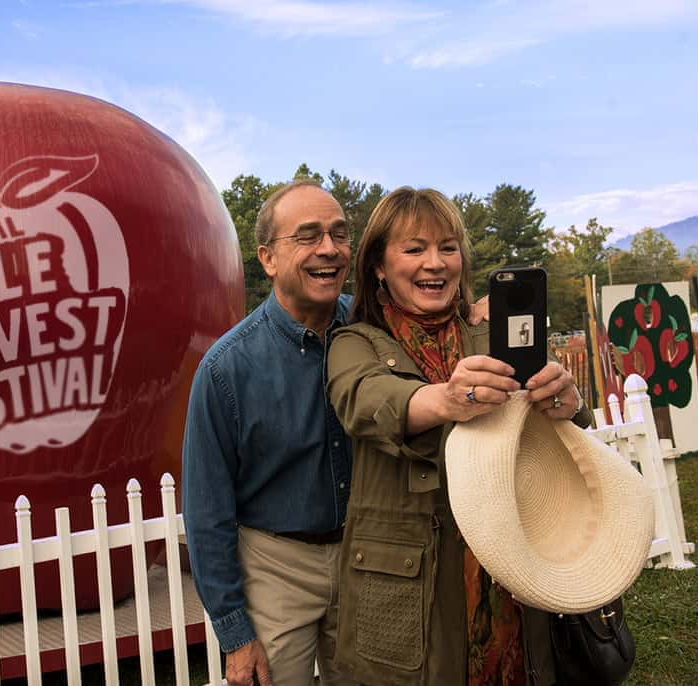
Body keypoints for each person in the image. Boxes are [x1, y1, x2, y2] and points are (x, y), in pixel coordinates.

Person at [326, 187, 594, 685]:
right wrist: (446, 399)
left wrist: (569, 407)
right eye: (414, 249)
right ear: (379, 265)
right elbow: (367, 401)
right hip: (411, 590)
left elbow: (556, 443)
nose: (436, 263)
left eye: (447, 247)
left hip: (511, 572)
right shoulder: (354, 343)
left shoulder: (489, 333)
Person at [182, 180, 359, 686]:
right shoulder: (225, 371)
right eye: (307, 236)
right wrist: (235, 633)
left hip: (368, 557)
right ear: (268, 258)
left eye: (339, 234)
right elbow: (207, 511)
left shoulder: (374, 328)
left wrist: (472, 311)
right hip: (275, 567)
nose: (329, 248)